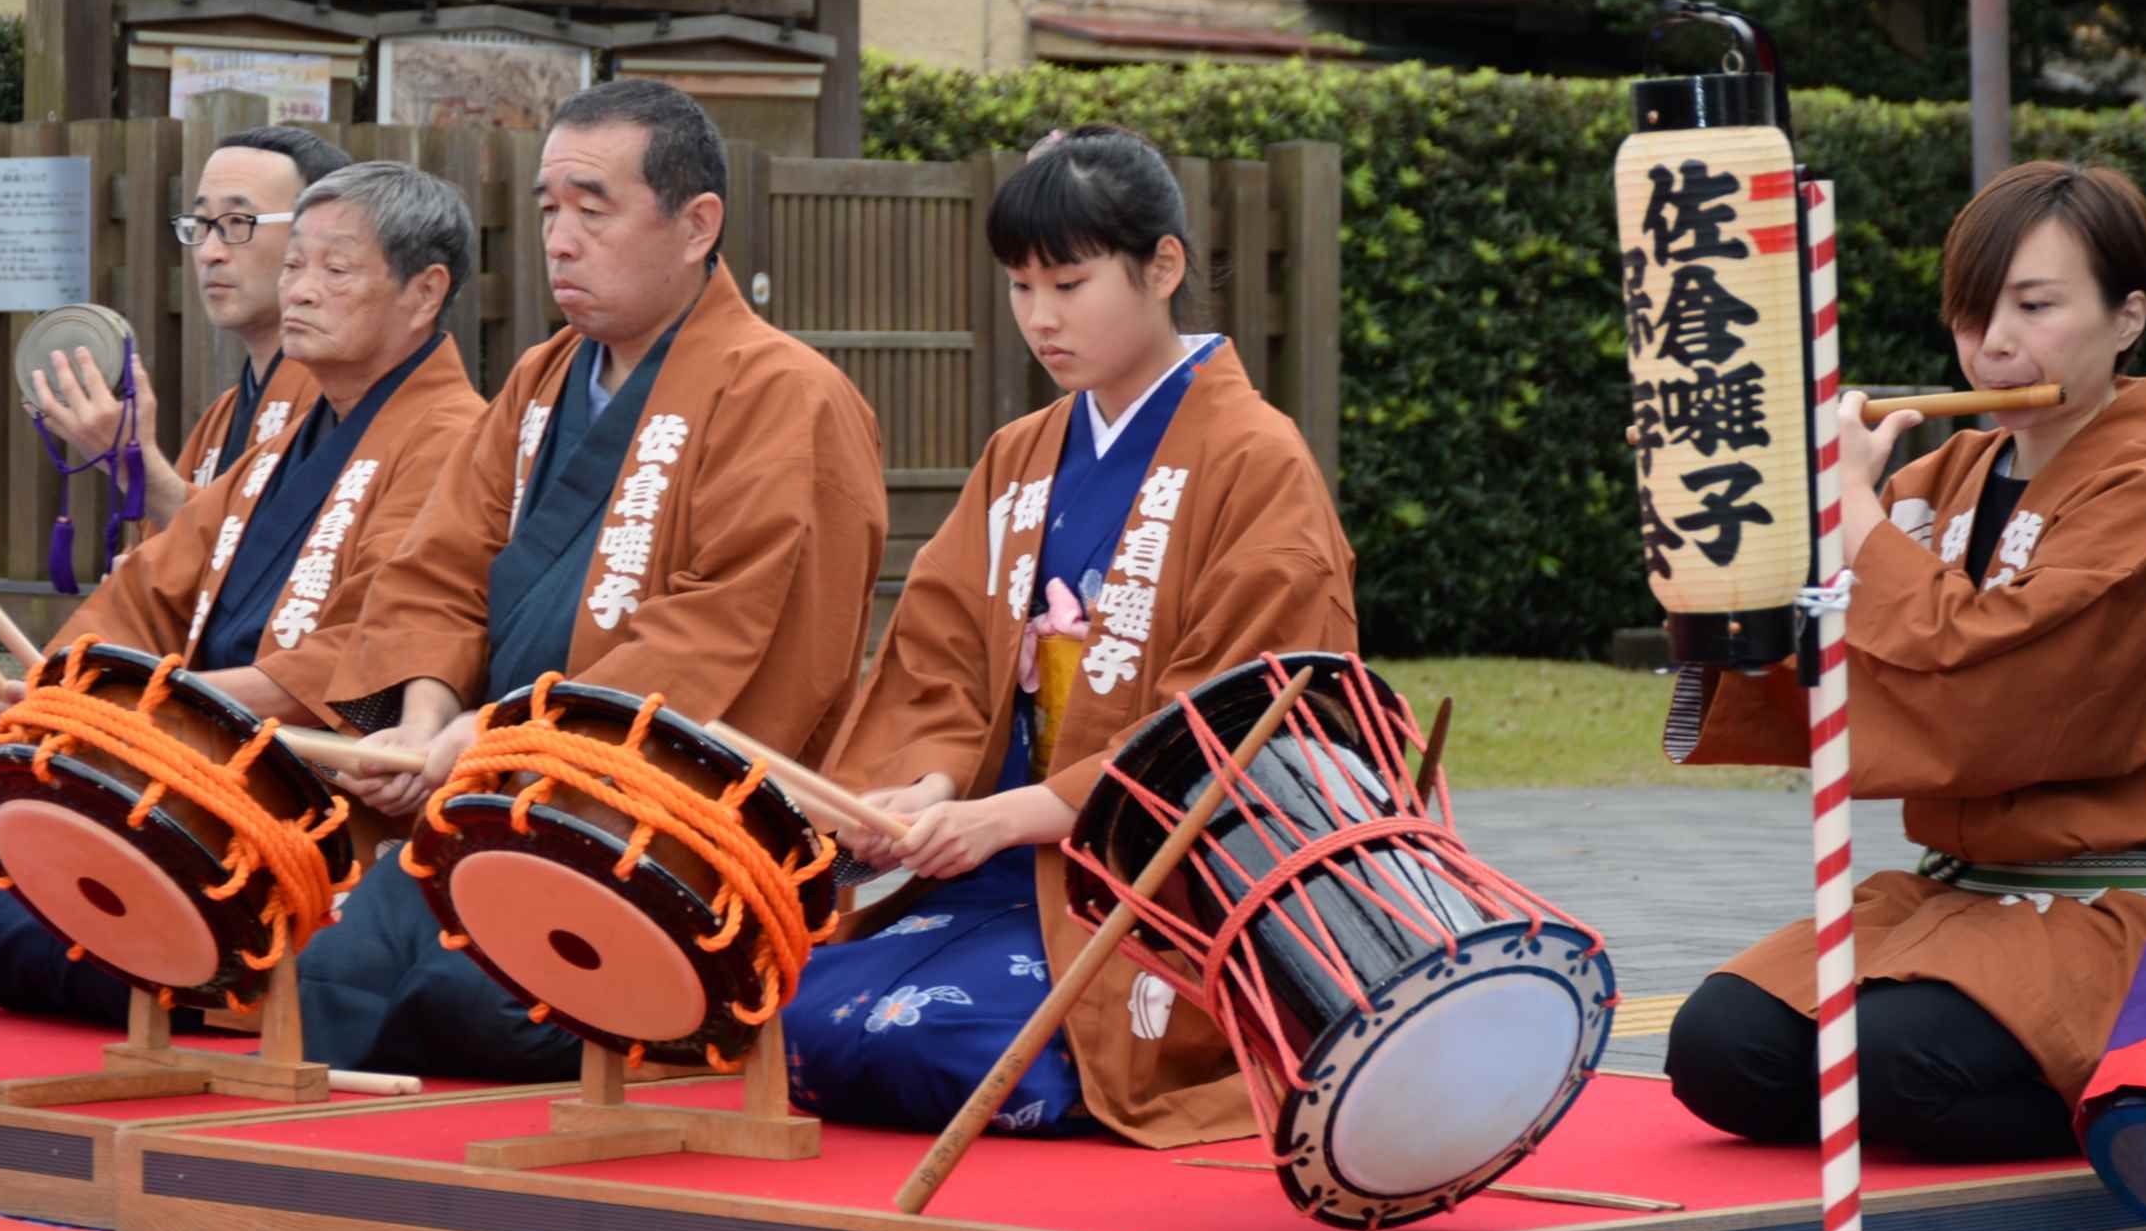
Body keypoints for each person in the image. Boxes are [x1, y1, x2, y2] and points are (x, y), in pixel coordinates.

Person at [1662, 161, 2146, 1160]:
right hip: (1955, 891)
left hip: (2112, 903)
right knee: (1719, 1049)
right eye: (1969, 312)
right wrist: (1733, 528)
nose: (1991, 345)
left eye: (2033, 307)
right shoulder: (1942, 472)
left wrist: (1855, 517)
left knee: (1892, 1067)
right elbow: (1824, 641)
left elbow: (1992, 698)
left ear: (2127, 319)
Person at [777, 125, 1358, 1148]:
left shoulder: (1254, 459)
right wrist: (924, 788)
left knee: (932, 1040)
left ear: (1162, 266)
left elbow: (1232, 720)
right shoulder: (1020, 455)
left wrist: (1017, 814)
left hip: (1158, 888)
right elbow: (940, 653)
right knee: (809, 1018)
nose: (1039, 319)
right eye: (1019, 287)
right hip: (1003, 868)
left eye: (1068, 283)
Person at [299, 79, 888, 1078]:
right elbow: (438, 566)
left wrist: (482, 736)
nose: (560, 239)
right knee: (328, 975)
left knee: (475, 1006)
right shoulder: (538, 380)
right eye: (547, 209)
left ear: (697, 222)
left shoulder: (787, 394)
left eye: (592, 206)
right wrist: (422, 716)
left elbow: (718, 633)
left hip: (660, 828)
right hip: (492, 799)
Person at [0, 161, 488, 1025]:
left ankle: (235, 981)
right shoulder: (286, 435)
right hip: (192, 771)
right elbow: (152, 591)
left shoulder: (457, 436)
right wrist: (57, 693)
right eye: (297, 265)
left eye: (334, 270)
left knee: (4, 925)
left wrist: (142, 709)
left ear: (424, 293)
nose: (300, 290)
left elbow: (362, 653)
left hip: (300, 798)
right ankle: (211, 976)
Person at [24, 125, 352, 534]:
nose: (210, 253)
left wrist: (134, 464)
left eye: (237, 222)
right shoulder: (222, 415)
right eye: (200, 223)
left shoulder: (341, 404)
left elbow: (266, 561)